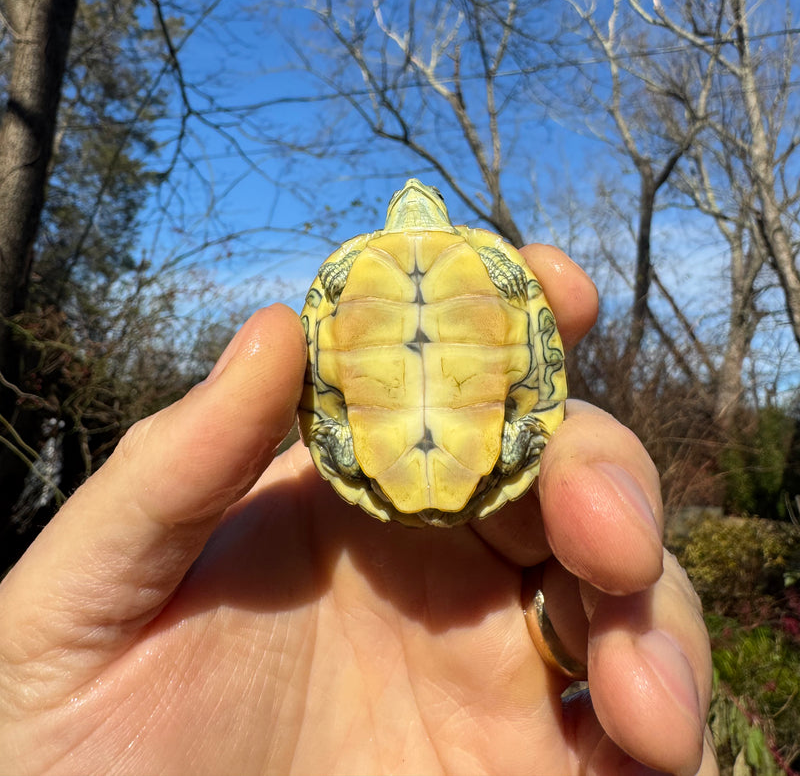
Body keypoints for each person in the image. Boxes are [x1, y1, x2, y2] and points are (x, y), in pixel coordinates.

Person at [0, 246, 717, 775]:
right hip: (454, 475)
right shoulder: (492, 274)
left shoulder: (357, 286)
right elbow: (534, 367)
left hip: (404, 475)